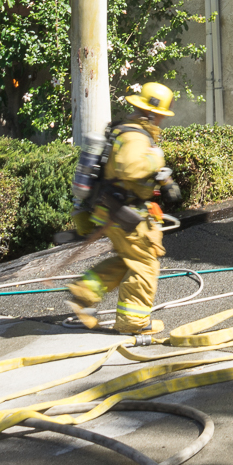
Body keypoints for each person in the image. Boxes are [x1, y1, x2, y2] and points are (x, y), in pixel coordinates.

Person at [68, 83, 183, 334]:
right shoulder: (135, 136)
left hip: (113, 210)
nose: (163, 119)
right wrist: (157, 158)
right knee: (145, 265)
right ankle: (134, 322)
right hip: (126, 214)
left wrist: (164, 179)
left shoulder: (127, 131)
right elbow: (130, 168)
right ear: (151, 113)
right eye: (162, 114)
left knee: (129, 260)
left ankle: (83, 293)